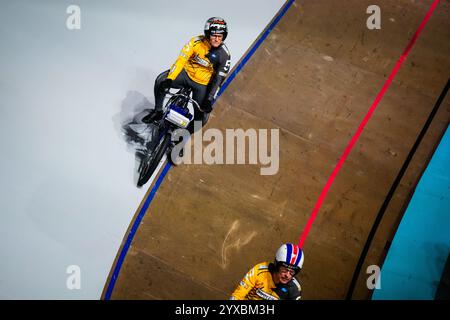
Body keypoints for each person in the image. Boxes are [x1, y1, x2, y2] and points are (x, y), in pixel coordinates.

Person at [151, 17, 231, 133]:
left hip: (202, 84)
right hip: (185, 74)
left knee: (202, 118)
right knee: (160, 80)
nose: (217, 39)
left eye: (220, 36)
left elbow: (219, 79)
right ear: (208, 34)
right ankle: (157, 111)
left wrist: (209, 99)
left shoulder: (224, 55)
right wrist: (170, 79)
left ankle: (183, 138)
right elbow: (181, 60)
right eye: (214, 35)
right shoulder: (195, 42)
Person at [230, 243, 304, 300]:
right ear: (276, 265)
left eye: (292, 272)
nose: (287, 275)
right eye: (284, 269)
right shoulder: (259, 271)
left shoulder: (294, 289)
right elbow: (237, 296)